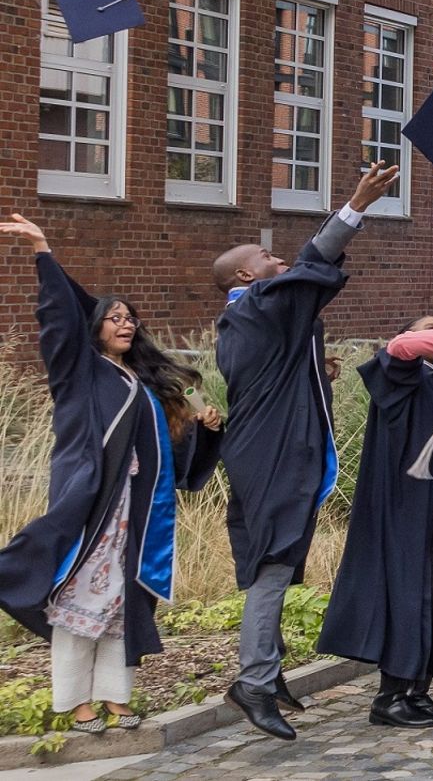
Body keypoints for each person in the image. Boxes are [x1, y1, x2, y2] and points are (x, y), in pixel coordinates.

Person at [0, 216, 220, 734]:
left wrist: (204, 426)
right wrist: (42, 249)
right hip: (92, 506)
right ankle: (77, 706)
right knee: (77, 602)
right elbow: (60, 318)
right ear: (94, 327)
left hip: (134, 513)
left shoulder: (141, 381)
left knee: (121, 601)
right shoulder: (79, 372)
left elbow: (170, 453)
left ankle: (116, 700)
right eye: (114, 317)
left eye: (131, 319)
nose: (126, 324)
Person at [206, 162, 398, 739]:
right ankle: (253, 681)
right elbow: (314, 261)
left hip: (277, 451)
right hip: (270, 457)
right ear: (247, 273)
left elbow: (274, 367)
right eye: (267, 259)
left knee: (282, 563)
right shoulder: (259, 303)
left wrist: (317, 369)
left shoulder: (253, 317)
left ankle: (270, 667)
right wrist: (355, 204)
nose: (279, 260)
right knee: (271, 567)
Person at [318, 316, 433, 725]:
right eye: (430, 327)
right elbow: (401, 347)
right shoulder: (402, 376)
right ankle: (389, 696)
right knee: (418, 597)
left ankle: (417, 690)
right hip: (409, 509)